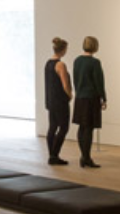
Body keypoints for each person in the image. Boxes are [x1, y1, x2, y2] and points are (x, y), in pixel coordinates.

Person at [72, 36, 106, 168]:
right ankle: (86, 158)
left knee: (82, 127)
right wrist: (103, 98)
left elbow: (75, 79)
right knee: (89, 128)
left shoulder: (77, 61)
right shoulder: (94, 63)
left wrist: (78, 92)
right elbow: (99, 82)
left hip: (80, 98)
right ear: (95, 46)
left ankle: (84, 156)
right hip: (91, 98)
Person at [43, 37, 73, 165]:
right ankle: (54, 155)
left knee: (52, 127)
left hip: (51, 100)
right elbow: (65, 85)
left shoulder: (48, 63)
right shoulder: (60, 65)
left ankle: (52, 155)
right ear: (63, 50)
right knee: (64, 128)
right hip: (60, 101)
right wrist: (70, 95)